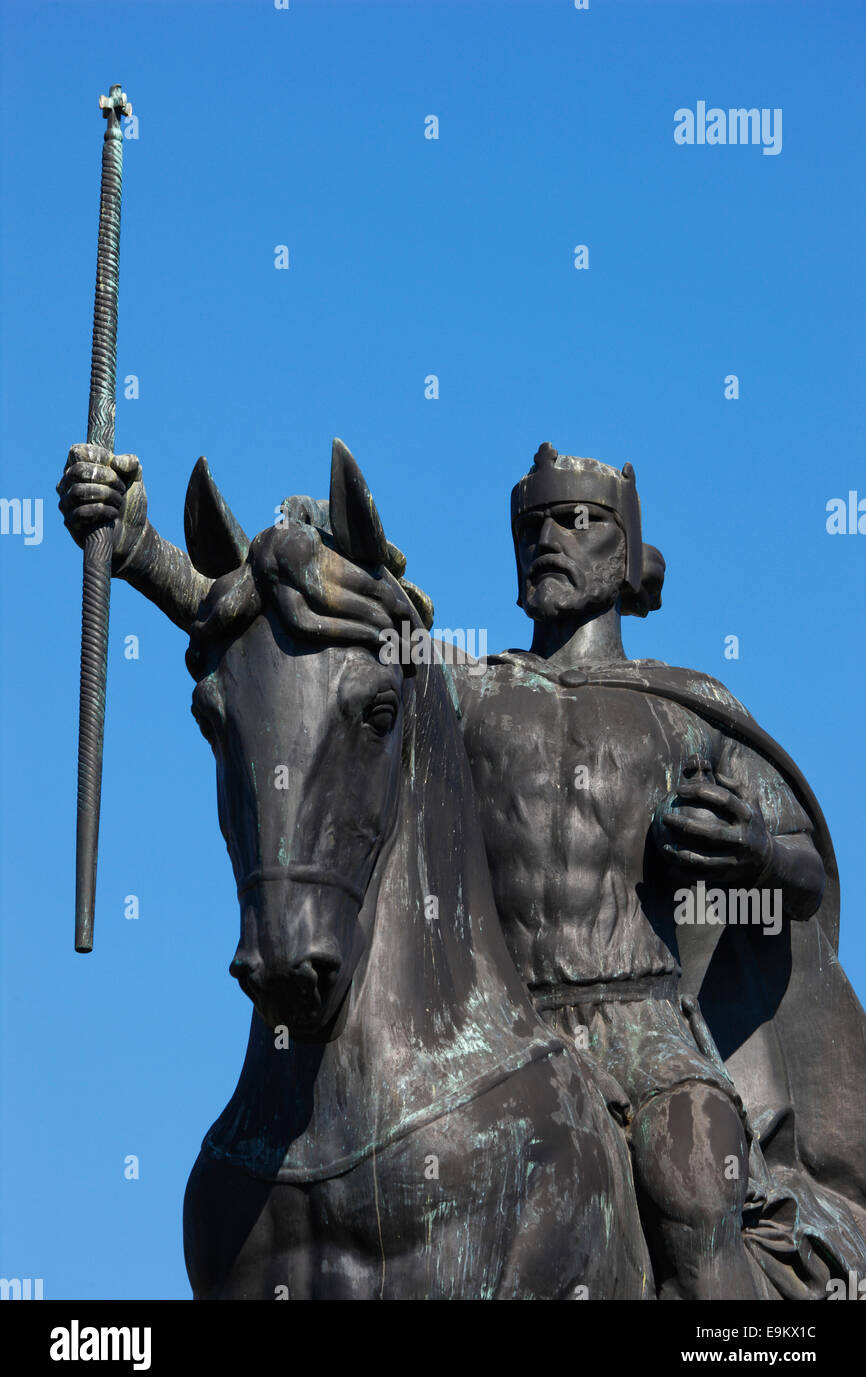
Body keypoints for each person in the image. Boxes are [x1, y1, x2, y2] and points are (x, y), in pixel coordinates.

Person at [58, 438, 866, 1298]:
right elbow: (304, 633)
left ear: (628, 554)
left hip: (644, 1028)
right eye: (534, 525)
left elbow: (807, 876)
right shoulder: (464, 693)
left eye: (579, 520)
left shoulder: (685, 713)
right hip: (495, 1027)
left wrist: (757, 851)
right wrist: (137, 548)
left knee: (697, 1194)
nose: (551, 538)